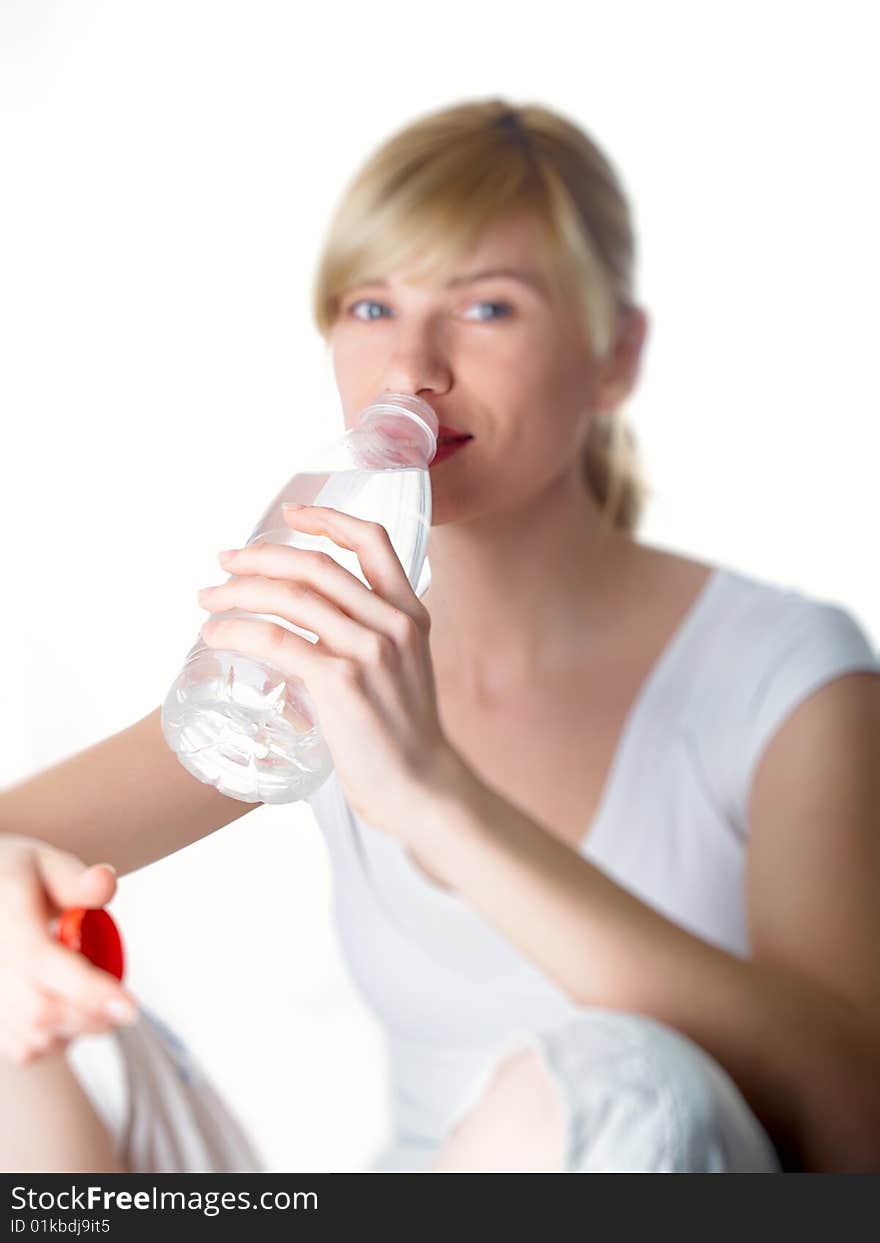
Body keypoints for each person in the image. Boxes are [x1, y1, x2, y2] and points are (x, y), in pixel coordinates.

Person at [2, 97, 879, 1175]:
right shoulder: (314, 657)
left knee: (624, 1074)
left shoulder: (786, 678)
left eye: (487, 309)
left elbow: (855, 1125)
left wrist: (429, 795)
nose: (411, 365)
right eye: (371, 306)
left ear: (615, 357)